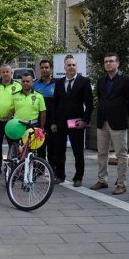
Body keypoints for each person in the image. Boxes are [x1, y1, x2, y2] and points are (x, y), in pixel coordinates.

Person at [92, 53, 129, 195]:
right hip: (102, 121)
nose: (108, 64)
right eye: (106, 62)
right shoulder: (101, 81)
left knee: (121, 154)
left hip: (118, 122)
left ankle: (121, 184)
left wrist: (123, 114)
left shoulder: (126, 80)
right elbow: (101, 99)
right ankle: (102, 180)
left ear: (118, 63)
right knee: (102, 153)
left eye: (111, 61)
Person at [52, 55, 93, 187]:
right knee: (59, 151)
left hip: (76, 122)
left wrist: (85, 121)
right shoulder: (58, 82)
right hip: (60, 122)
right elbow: (55, 104)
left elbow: (90, 104)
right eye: (69, 65)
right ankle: (60, 175)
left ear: (77, 67)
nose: (71, 67)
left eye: (74, 65)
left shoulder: (84, 81)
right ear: (64, 67)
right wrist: (53, 122)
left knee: (78, 152)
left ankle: (78, 177)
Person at [0, 64, 21, 176]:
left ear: (11, 73)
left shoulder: (18, 86)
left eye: (7, 71)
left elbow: (20, 103)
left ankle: (14, 168)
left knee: (13, 145)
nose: (5, 74)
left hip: (12, 122)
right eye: (3, 72)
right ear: (0, 73)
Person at [33, 59, 56, 168]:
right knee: (39, 145)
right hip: (39, 120)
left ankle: (52, 169)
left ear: (51, 69)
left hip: (53, 120)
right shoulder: (35, 84)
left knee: (52, 147)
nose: (44, 70)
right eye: (42, 68)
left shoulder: (57, 84)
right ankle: (40, 169)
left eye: (46, 67)